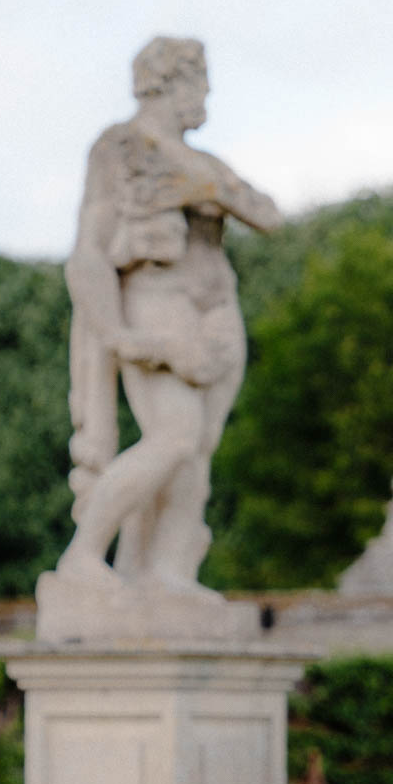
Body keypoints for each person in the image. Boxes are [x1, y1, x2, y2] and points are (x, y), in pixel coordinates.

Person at [56, 37, 281, 597]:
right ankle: (83, 556)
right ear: (167, 83)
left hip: (216, 311)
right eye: (199, 81)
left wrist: (212, 189)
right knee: (174, 437)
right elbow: (88, 251)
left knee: (196, 452)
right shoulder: (120, 148)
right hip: (157, 302)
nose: (206, 94)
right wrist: (117, 334)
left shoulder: (205, 165)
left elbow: (269, 215)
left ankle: (162, 573)